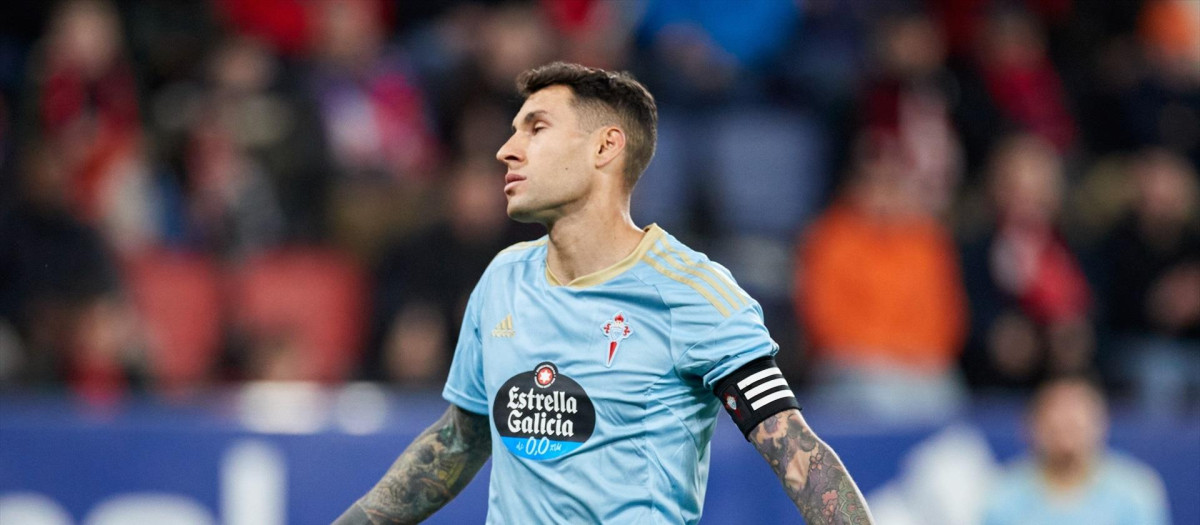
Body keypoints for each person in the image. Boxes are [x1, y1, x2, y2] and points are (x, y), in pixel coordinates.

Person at [334, 62, 874, 524]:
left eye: (535, 128)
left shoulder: (692, 292)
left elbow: (796, 453)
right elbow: (458, 439)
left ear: (605, 146)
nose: (505, 150)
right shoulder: (502, 278)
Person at [981, 376, 1169, 525]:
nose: (1066, 438)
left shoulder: (1135, 491)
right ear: (1032, 427)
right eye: (1056, 427)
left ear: (1101, 425)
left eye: (1075, 426)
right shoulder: (1002, 494)